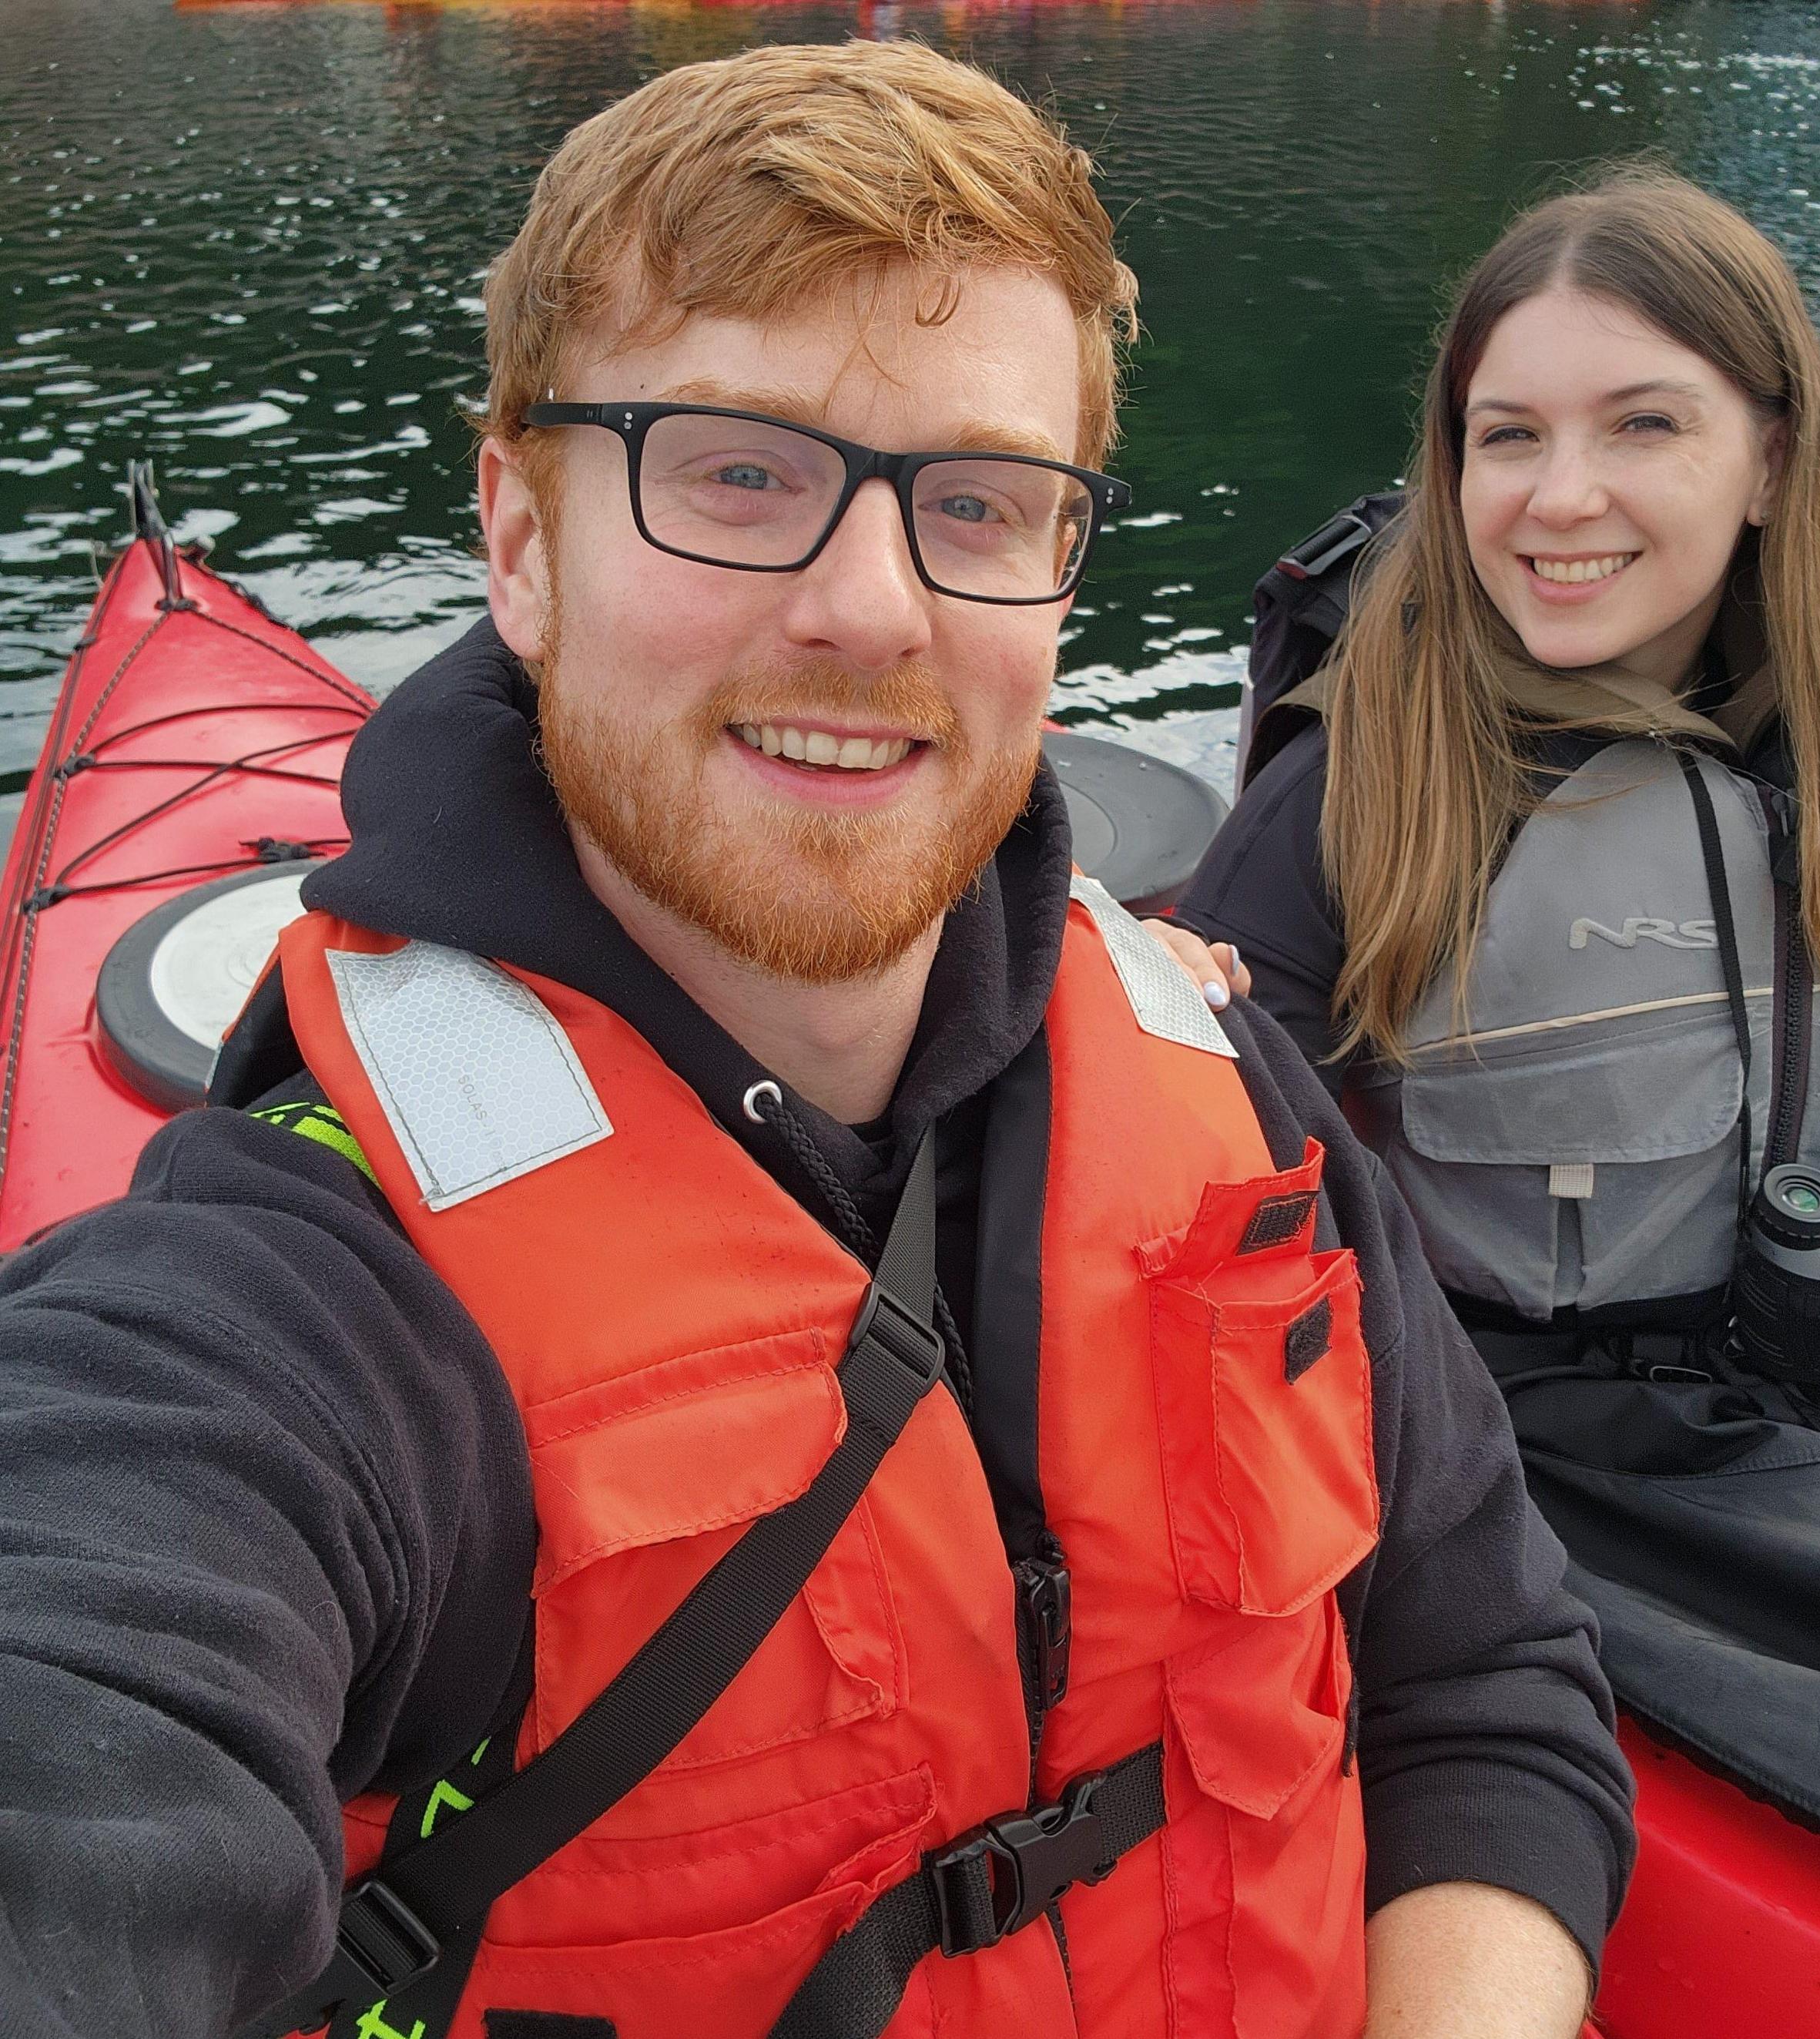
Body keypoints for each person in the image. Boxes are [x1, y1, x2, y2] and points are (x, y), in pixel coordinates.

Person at [0, 44, 1632, 2039]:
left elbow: (1485, 1681)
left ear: (1058, 570)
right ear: (519, 533)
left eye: (978, 501)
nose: (870, 604)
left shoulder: (1225, 1089)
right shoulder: (298, 1308)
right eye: (737, 470)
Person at [1165, 166, 1820, 1914]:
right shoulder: (1354, 796)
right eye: (1507, 438)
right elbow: (1206, 1191)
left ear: (1771, 458)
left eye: (1642, 426)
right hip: (1560, 1445)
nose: (1558, 501)